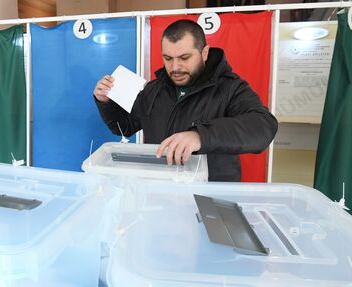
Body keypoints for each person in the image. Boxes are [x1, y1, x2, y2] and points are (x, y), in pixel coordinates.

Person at [93, 19, 278, 182]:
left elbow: (263, 126)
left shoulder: (230, 87)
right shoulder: (153, 89)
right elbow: (124, 127)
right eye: (168, 58)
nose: (175, 67)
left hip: (210, 196)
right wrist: (106, 103)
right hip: (160, 191)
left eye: (184, 58)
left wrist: (200, 136)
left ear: (204, 53)